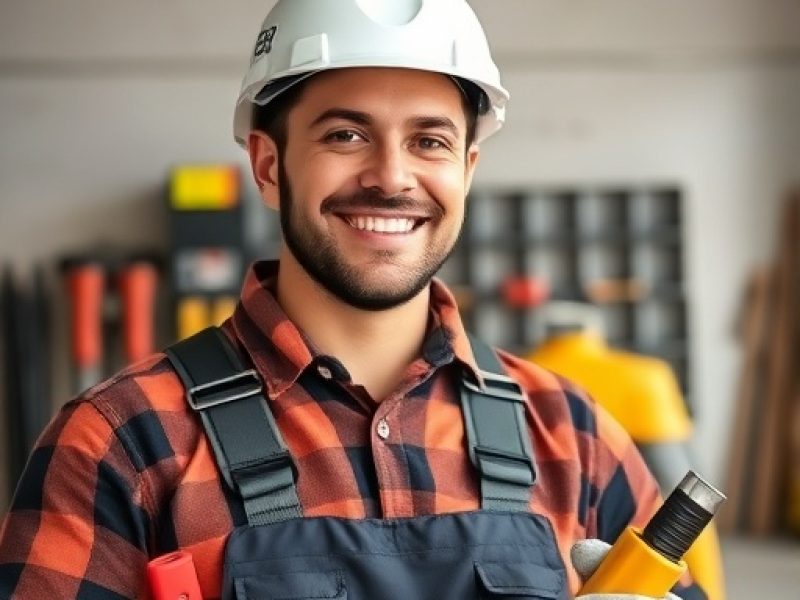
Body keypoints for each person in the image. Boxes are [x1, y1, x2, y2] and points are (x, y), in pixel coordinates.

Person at [0, 1, 705, 598]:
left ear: (467, 170)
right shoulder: (123, 443)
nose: (391, 177)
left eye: (429, 140)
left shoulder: (574, 435)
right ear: (269, 166)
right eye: (345, 134)